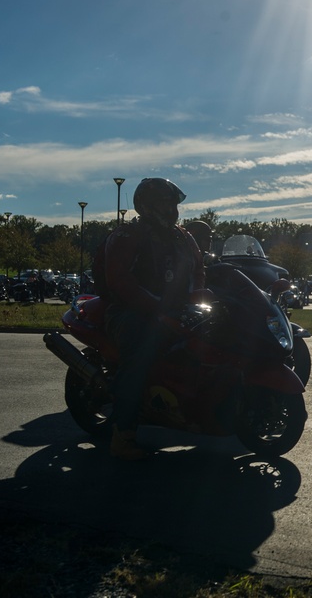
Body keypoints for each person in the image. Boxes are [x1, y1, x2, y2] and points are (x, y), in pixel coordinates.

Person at [104, 178, 205, 460]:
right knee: (141, 350)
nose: (171, 209)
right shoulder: (127, 236)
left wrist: (199, 296)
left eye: (173, 203)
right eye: (164, 203)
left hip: (175, 311)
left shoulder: (183, 237)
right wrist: (155, 306)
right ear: (146, 205)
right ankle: (122, 434)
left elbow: (199, 270)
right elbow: (119, 280)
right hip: (132, 311)